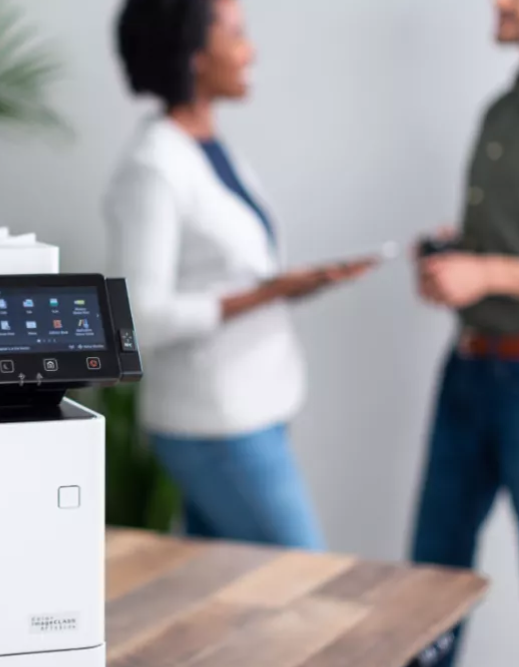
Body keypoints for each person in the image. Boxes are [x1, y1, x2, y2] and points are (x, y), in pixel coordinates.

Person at [103, 0, 376, 549]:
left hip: (258, 408)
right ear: (196, 56)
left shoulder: (207, 149)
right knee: (305, 579)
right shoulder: (153, 168)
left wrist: (288, 288)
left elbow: (227, 273)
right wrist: (267, 294)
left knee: (236, 605)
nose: (250, 50)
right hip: (215, 424)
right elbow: (133, 321)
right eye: (237, 35)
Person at [411, 1, 519, 665]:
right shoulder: (503, 111)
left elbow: (503, 266)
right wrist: (454, 259)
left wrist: (487, 270)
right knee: (427, 586)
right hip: (467, 371)